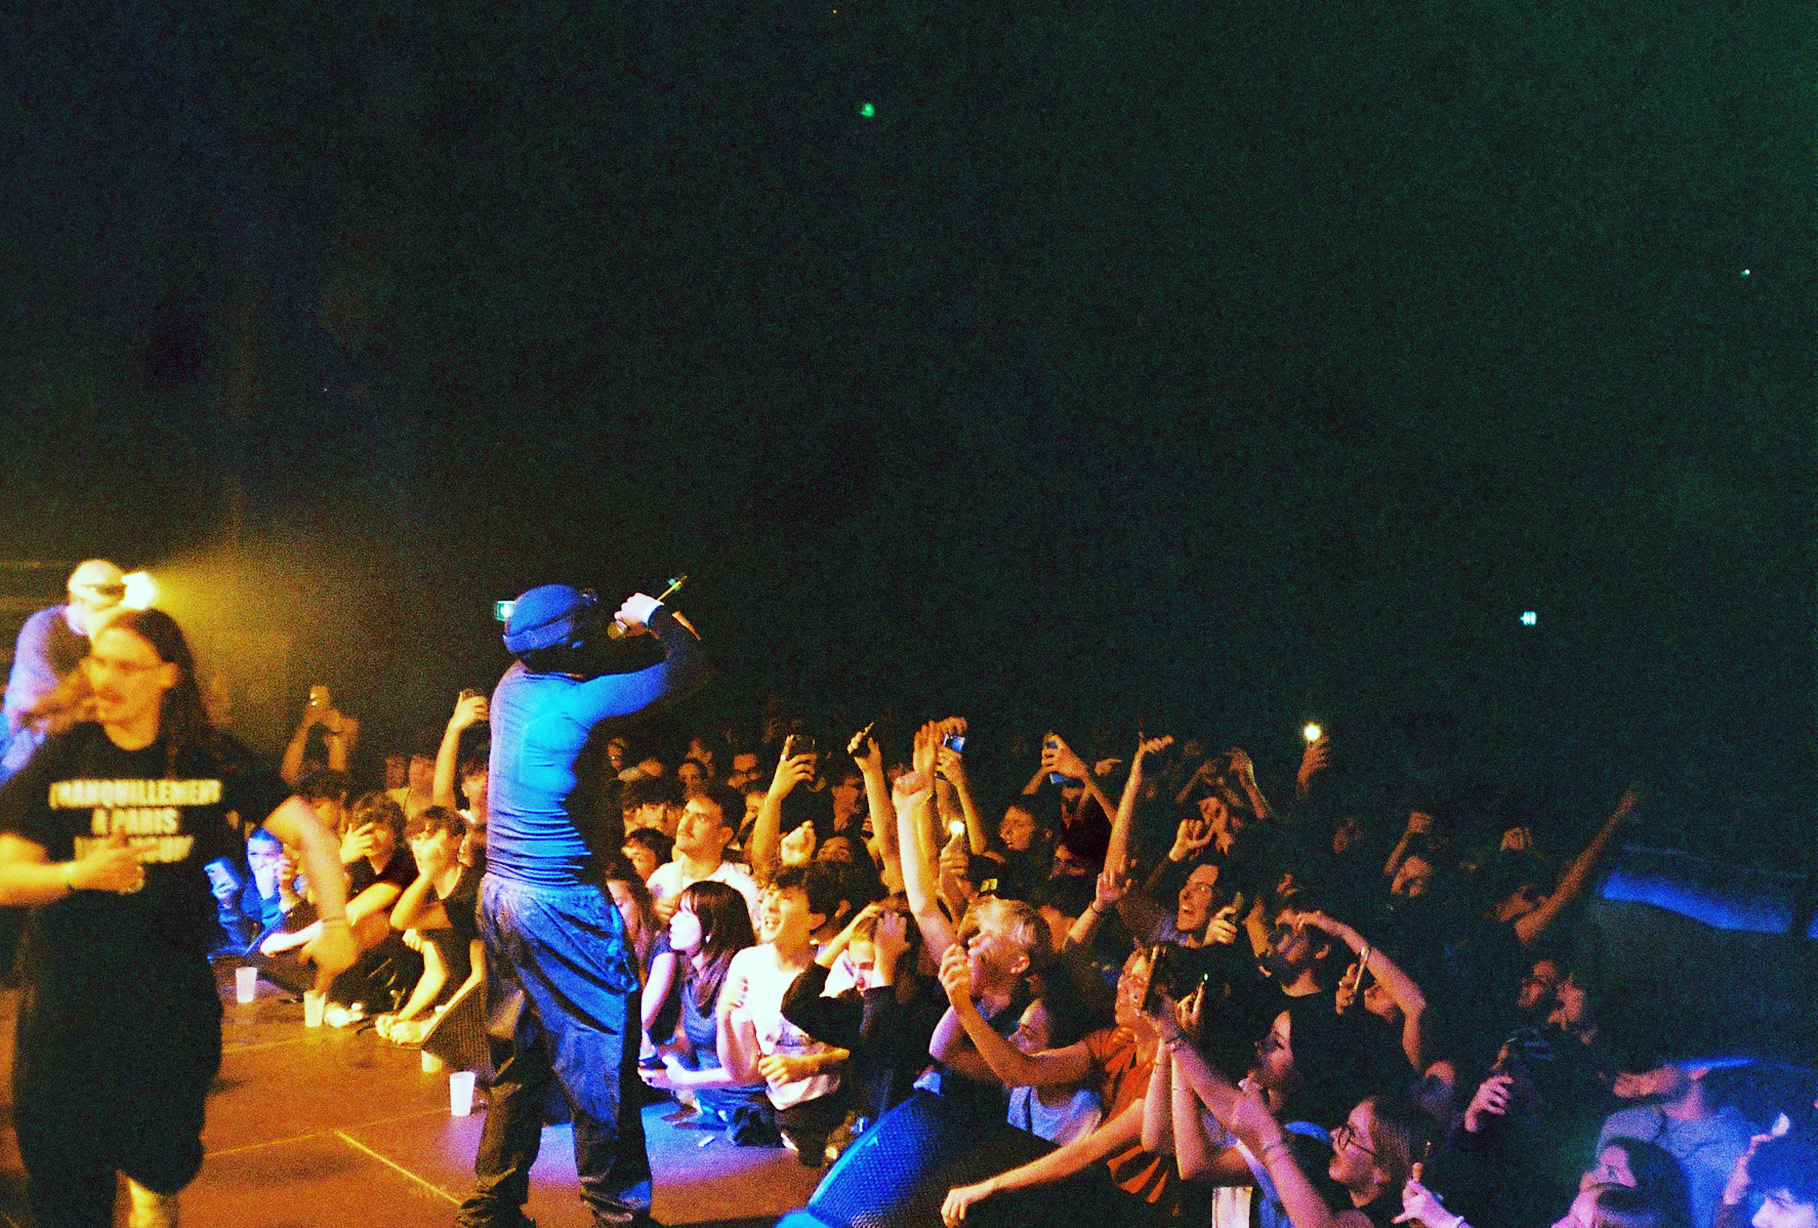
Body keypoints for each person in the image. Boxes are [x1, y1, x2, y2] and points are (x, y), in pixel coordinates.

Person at [0, 607, 355, 1228]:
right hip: (67, 1000)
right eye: (99, 662)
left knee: (164, 1158)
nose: (105, 678)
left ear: (167, 675)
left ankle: (153, 1192)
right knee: (65, 1185)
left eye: (126, 667)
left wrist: (336, 926)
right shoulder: (62, 760)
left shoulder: (207, 757)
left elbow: (314, 835)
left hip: (168, 1000)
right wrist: (76, 874)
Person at [457, 584, 708, 1228]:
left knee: (519, 1058)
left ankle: (491, 1206)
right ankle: (618, 1215)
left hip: (501, 894)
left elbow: (581, 659)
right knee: (601, 1063)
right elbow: (689, 667)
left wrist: (610, 636)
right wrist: (655, 616)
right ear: (574, 644)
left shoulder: (513, 684)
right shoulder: (580, 703)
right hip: (559, 904)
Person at [0, 559, 128, 782]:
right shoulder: (43, 628)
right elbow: (34, 704)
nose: (107, 618)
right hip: (28, 754)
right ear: (75, 598)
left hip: (81, 756)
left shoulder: (115, 634)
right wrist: (88, 687)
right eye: (100, 610)